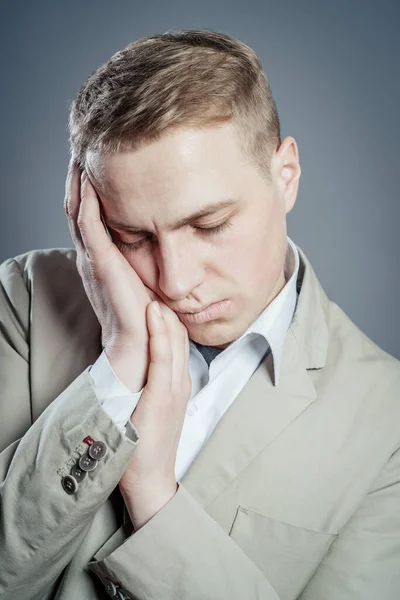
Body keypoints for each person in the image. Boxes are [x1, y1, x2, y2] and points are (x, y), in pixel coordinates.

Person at [0, 28, 399, 600]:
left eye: (209, 225)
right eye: (132, 236)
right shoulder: (24, 300)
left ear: (285, 176)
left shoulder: (389, 423)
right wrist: (114, 376)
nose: (176, 281)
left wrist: (155, 498)